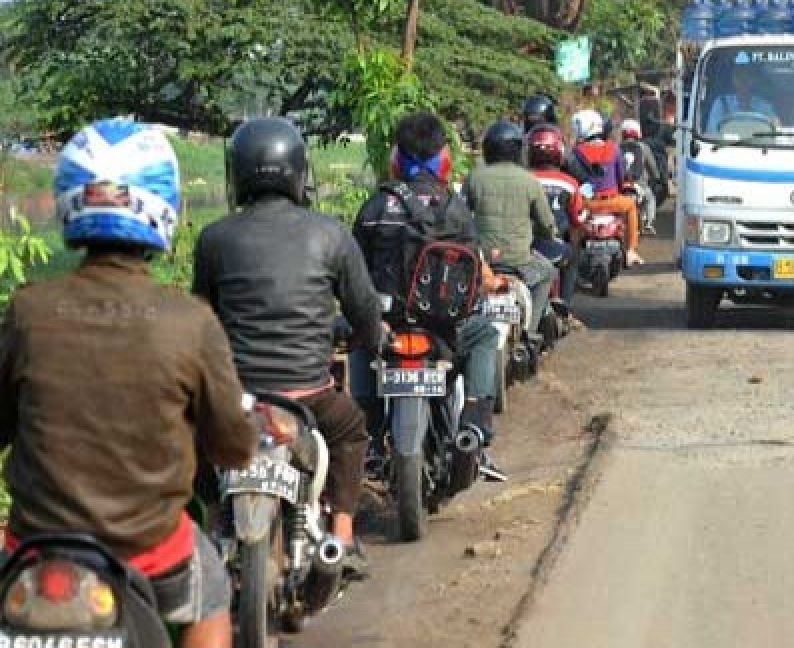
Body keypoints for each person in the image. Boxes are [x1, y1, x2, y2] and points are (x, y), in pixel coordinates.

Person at [0, 119, 257, 648]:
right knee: (211, 584)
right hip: (149, 552)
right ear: (161, 207)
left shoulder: (27, 310)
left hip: (35, 549)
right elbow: (234, 446)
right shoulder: (190, 321)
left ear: (72, 201)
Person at [192, 117, 382, 577]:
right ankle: (341, 533)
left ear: (237, 174)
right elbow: (365, 313)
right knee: (352, 430)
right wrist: (370, 338)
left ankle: (218, 519)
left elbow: (201, 317)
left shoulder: (214, 238)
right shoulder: (331, 234)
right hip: (309, 398)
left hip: (238, 398)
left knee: (195, 436)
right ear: (299, 171)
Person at [351, 113, 506, 477]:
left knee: (359, 341)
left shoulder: (376, 207)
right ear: (444, 159)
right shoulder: (456, 210)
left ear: (395, 159)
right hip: (443, 331)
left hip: (387, 329)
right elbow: (473, 273)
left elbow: (352, 270)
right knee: (484, 332)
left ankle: (368, 434)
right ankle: (473, 421)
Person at [464, 121, 559, 327]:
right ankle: (531, 329)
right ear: (518, 150)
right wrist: (550, 234)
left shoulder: (474, 177)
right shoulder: (530, 181)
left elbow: (461, 216)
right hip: (519, 260)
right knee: (548, 272)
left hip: (482, 259)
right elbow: (547, 224)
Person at [571, 109, 645, 265]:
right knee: (631, 207)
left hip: (588, 204)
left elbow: (574, 180)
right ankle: (631, 250)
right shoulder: (613, 148)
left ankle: (573, 253)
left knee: (573, 222)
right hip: (613, 202)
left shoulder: (577, 152)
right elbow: (620, 176)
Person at [527, 124, 585, 318]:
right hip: (554, 245)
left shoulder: (523, 179)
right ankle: (565, 307)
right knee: (573, 257)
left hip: (525, 246)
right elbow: (577, 220)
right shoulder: (569, 183)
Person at [619, 118, 662, 234]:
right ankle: (648, 222)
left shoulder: (617, 148)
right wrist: (657, 178)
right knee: (650, 198)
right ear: (638, 132)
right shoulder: (644, 147)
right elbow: (652, 166)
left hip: (621, 185)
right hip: (640, 186)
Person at [706, 64, 776, 129]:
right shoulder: (721, 103)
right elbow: (713, 131)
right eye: (739, 77)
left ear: (753, 80)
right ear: (734, 80)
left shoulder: (764, 106)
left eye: (747, 76)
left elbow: (775, 129)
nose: (743, 81)